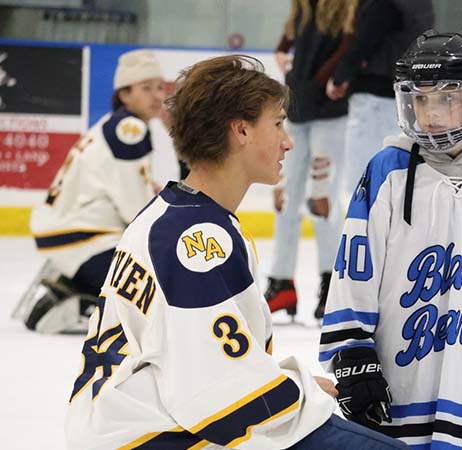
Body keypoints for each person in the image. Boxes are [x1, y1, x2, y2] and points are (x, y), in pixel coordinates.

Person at [64, 54, 410, 450]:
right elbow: (222, 400)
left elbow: (197, 361)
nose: (288, 140)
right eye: (278, 124)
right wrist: (300, 393)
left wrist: (284, 381)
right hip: (154, 436)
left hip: (129, 425)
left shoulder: (172, 214)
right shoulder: (198, 242)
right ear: (240, 131)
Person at [318, 30, 462, 449]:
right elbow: (355, 270)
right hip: (395, 385)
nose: (431, 114)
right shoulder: (387, 170)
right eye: (420, 99)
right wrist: (352, 353)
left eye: (447, 99)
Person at [24, 49, 165, 334]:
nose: (157, 96)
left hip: (66, 234)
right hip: (86, 239)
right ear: (124, 94)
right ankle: (84, 299)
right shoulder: (129, 129)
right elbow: (135, 211)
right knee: (162, 288)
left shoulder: (111, 124)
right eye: (146, 88)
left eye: (160, 87)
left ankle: (75, 284)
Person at [266, 0, 357, 320]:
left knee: (322, 200)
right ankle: (281, 282)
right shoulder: (302, 8)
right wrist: (289, 69)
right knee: (285, 196)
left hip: (329, 113)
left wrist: (315, 83)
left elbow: (348, 51)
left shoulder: (348, 8)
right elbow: (285, 43)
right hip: (297, 109)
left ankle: (330, 283)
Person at [325, 0, 433, 217]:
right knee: (393, 171)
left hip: (374, 97)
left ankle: (363, 234)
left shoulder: (386, 4)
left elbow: (364, 41)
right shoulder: (420, 6)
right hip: (403, 98)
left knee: (363, 176)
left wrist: (340, 77)